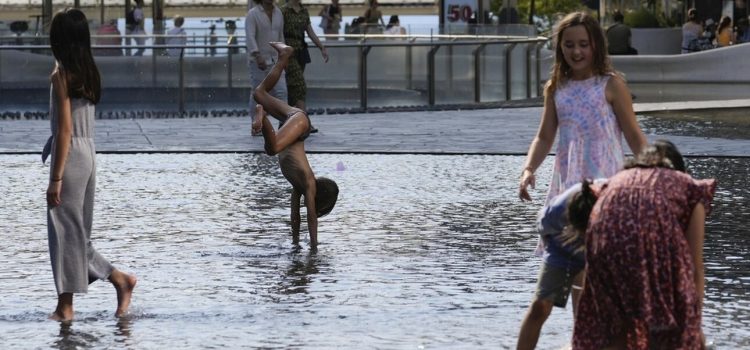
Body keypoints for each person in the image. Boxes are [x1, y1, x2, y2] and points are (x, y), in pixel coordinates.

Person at [515, 12, 647, 350]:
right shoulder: (556, 89)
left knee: (591, 277)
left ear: (596, 46)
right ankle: (584, 341)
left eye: (583, 45)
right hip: (568, 196)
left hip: (606, 193)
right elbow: (544, 137)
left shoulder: (611, 84)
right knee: (576, 276)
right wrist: (529, 169)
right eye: (569, 45)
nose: (576, 52)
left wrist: (655, 175)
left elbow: (634, 137)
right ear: (560, 48)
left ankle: (587, 341)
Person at [569, 140, 715, 349]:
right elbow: (695, 268)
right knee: (666, 327)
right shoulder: (689, 186)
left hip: (603, 243)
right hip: (644, 245)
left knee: (616, 329)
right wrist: (693, 323)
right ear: (679, 169)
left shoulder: (615, 180)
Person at [42, 8, 137, 322]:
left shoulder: (60, 74)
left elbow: (66, 129)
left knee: (64, 234)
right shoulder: (89, 71)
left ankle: (101, 289)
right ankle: (69, 303)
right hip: (88, 154)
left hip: (69, 156)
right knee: (75, 234)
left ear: (60, 40)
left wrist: (55, 178)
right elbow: (75, 126)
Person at [251, 42, 339, 248]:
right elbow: (310, 217)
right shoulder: (308, 184)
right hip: (299, 122)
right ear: (320, 198)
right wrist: (314, 247)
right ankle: (262, 116)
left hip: (295, 119)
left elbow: (295, 216)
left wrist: (296, 243)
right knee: (272, 149)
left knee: (259, 93)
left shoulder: (297, 187)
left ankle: (284, 56)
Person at [282, 0, 329, 134]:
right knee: (300, 85)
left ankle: (286, 120)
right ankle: (305, 123)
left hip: (301, 51)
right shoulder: (283, 11)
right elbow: (277, 32)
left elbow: (310, 31)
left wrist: (322, 47)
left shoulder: (304, 11)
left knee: (293, 88)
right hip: (288, 52)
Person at [246, 0, 288, 136]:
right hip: (258, 61)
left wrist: (285, 56)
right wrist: (257, 54)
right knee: (257, 94)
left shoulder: (278, 13)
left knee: (282, 91)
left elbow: (280, 36)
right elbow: (250, 36)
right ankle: (256, 125)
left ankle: (285, 125)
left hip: (276, 60)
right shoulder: (253, 14)